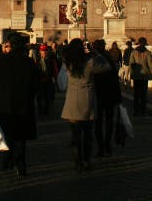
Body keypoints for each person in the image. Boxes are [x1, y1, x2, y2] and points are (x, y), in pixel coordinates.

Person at [0, 33, 38, 176]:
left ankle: (7, 160)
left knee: (8, 134)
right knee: (21, 138)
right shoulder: (28, 62)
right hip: (23, 105)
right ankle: (21, 165)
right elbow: (35, 84)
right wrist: (30, 97)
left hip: (5, 106)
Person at [61, 38, 111, 172]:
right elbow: (107, 67)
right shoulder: (90, 63)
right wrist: (95, 52)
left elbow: (64, 53)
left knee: (75, 134)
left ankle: (77, 162)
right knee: (88, 134)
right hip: (87, 100)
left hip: (72, 101)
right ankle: (87, 161)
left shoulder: (68, 63)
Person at [92, 39, 121, 157]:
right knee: (109, 120)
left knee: (98, 122)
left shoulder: (93, 60)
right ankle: (107, 144)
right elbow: (115, 79)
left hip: (98, 95)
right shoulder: (109, 59)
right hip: (110, 94)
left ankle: (101, 147)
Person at [129, 37, 152, 116]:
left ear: (138, 43)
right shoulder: (148, 53)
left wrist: (132, 74)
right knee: (143, 94)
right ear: (145, 43)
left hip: (136, 75)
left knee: (136, 94)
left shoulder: (133, 52)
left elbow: (131, 64)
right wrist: (151, 73)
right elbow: (150, 64)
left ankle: (136, 110)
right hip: (144, 75)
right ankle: (143, 110)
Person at [35, 44, 58, 116]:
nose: (44, 52)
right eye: (42, 50)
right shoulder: (37, 60)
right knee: (40, 97)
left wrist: (55, 79)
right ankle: (40, 111)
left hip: (48, 81)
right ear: (40, 51)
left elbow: (55, 71)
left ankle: (46, 110)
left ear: (47, 51)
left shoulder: (51, 60)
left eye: (45, 50)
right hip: (40, 82)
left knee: (48, 97)